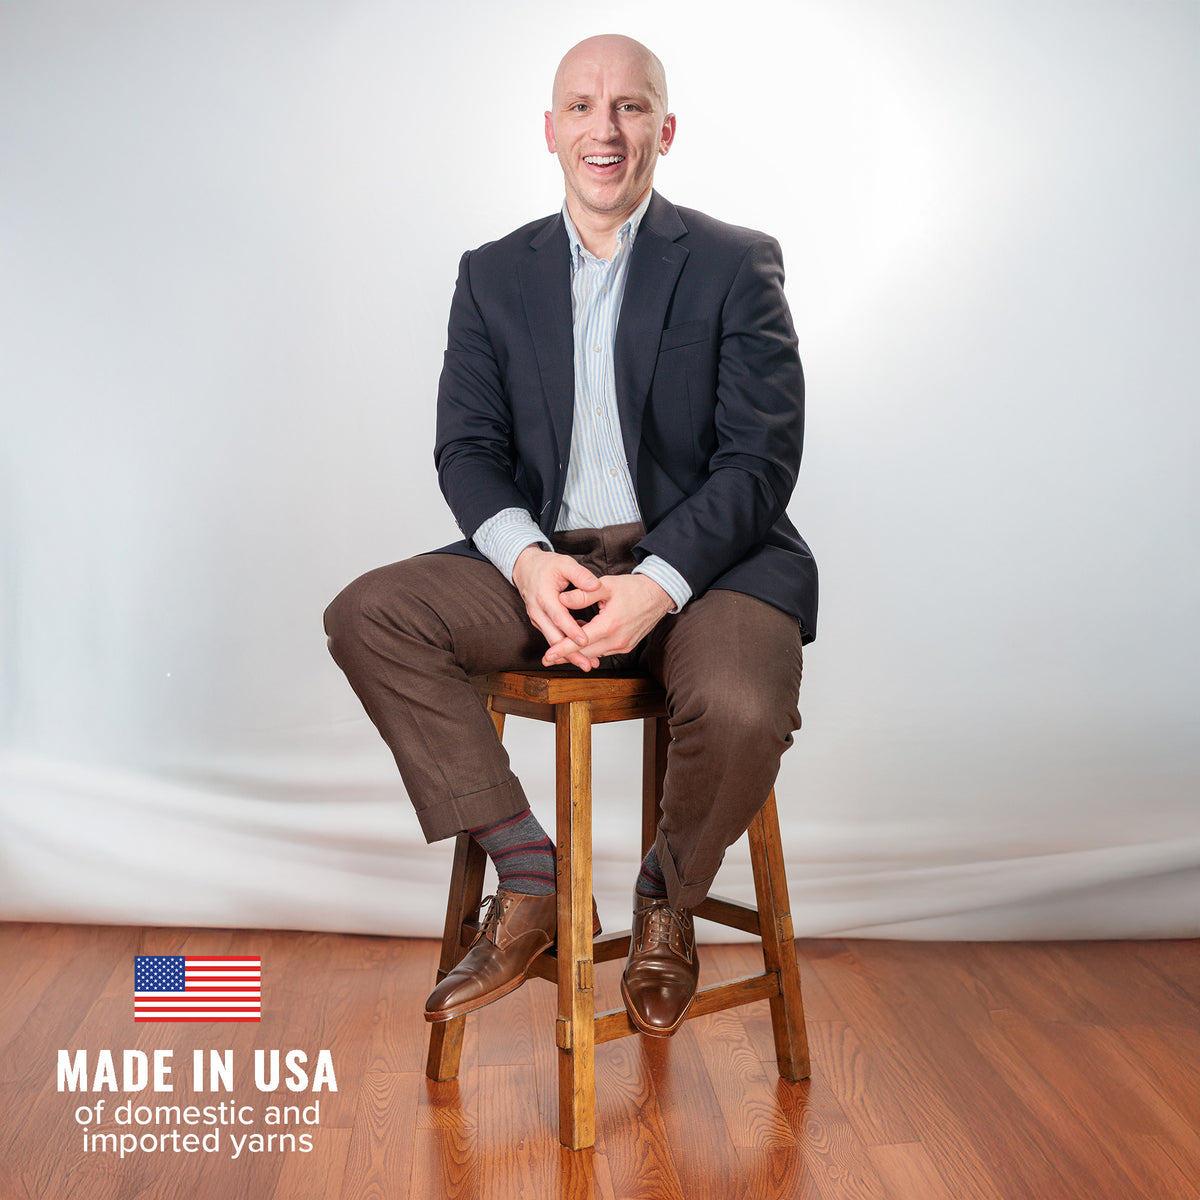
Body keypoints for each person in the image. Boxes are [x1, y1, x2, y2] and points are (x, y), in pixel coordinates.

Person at [324, 33, 817, 1038]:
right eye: (583, 108)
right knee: (370, 613)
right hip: (550, 560)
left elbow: (760, 458)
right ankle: (531, 874)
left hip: (711, 563)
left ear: (664, 131)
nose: (606, 128)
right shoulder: (492, 275)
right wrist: (527, 560)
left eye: (631, 108)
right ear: (549, 132)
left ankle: (665, 902)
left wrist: (660, 581)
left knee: (736, 699)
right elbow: (466, 448)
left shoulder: (733, 263)